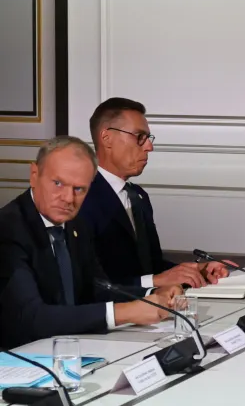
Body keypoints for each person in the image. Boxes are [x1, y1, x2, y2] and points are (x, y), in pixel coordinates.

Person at [0, 137, 181, 348]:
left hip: (72, 348)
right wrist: (124, 312)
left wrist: (153, 295)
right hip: (19, 359)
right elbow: (33, 318)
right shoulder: (8, 229)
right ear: (34, 175)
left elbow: (96, 287)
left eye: (79, 189)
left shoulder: (76, 224)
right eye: (58, 184)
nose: (68, 198)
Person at [78, 98, 232, 288]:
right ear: (107, 138)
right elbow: (89, 284)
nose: (149, 147)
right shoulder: (79, 197)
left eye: (148, 138)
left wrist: (197, 271)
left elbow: (151, 266)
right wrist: (155, 280)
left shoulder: (138, 196)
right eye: (139, 136)